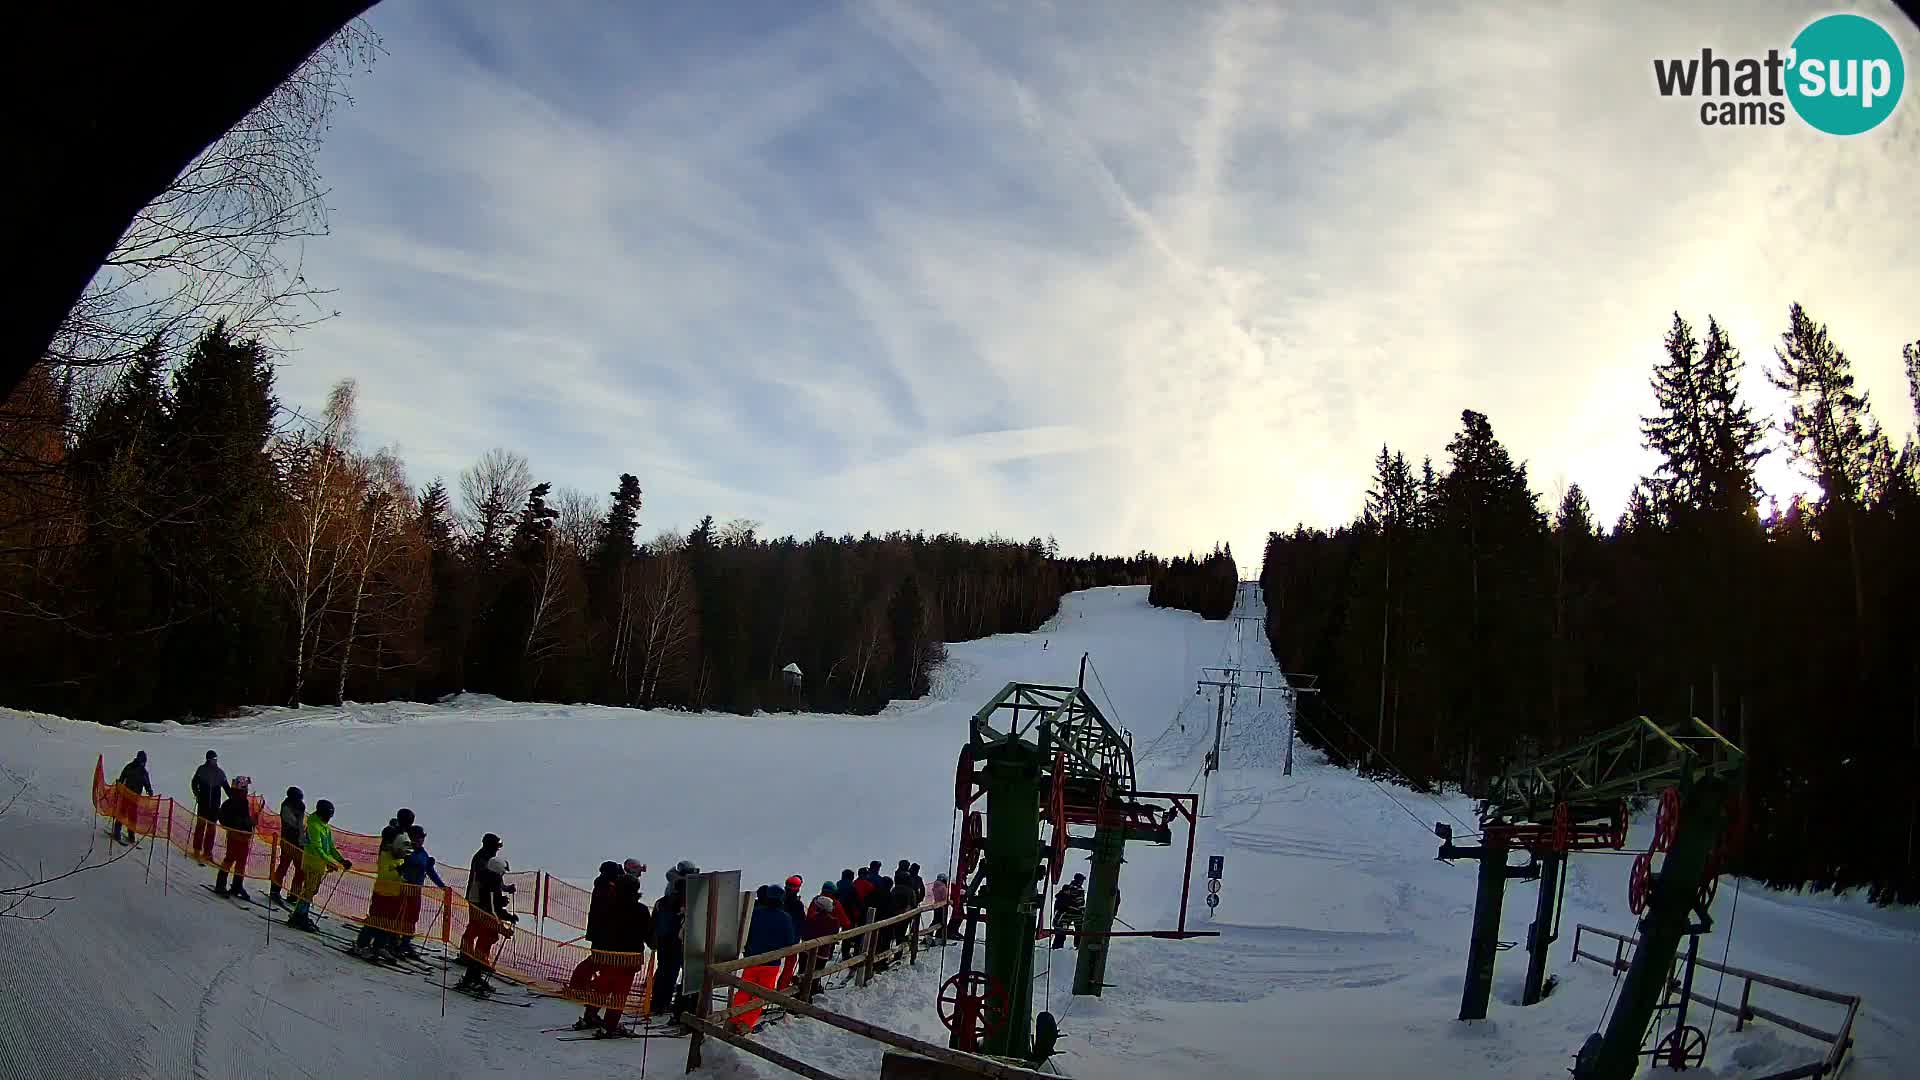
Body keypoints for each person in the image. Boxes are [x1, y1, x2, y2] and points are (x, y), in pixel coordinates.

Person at [589, 873, 653, 1037]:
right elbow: (649, 935)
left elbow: (598, 929)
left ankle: (589, 1016)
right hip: (628, 959)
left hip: (606, 956)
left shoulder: (607, 906)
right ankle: (610, 1025)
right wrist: (654, 943)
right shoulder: (641, 910)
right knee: (619, 993)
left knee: (602, 987)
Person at [455, 833, 517, 994]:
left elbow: (494, 897)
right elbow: (492, 904)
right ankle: (468, 963)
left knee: (485, 938)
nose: (497, 850)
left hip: (484, 906)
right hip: (478, 903)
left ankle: (474, 971)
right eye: (496, 847)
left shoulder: (491, 869)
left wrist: (503, 893)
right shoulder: (482, 861)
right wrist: (504, 915)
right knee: (477, 932)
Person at [731, 885, 797, 1032]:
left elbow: (745, 934)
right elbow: (790, 941)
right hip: (772, 964)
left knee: (743, 991)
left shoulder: (755, 913)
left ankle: (734, 1019)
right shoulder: (785, 918)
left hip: (752, 960)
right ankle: (746, 1024)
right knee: (760, 996)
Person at [569, 861, 626, 1016]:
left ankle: (582, 985)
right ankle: (579, 985)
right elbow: (608, 910)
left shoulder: (605, 885)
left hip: (602, 931)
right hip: (603, 932)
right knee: (598, 959)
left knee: (598, 960)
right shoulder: (605, 887)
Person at [288, 799, 350, 932]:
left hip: (319, 864)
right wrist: (331, 862)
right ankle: (299, 916)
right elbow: (318, 848)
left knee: (311, 890)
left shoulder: (324, 826)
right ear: (321, 814)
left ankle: (301, 914)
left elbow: (330, 848)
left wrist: (341, 860)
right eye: (327, 816)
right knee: (308, 890)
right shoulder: (314, 826)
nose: (329, 819)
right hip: (312, 863)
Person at [649, 860, 698, 1017]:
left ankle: (657, 1003)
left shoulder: (662, 901)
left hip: (664, 939)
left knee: (664, 970)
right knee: (671, 972)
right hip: (677, 940)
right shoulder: (683, 897)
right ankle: (664, 1005)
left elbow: (655, 921)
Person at [354, 824, 407, 960]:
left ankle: (380, 946)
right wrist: (399, 871)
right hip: (382, 893)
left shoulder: (398, 855)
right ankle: (361, 945)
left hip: (395, 894)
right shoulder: (385, 855)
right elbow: (385, 875)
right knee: (375, 920)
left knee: (387, 922)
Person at [396, 825, 447, 959]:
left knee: (412, 916)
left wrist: (442, 886)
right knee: (400, 914)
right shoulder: (407, 850)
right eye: (418, 838)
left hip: (416, 890)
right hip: (405, 887)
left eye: (422, 838)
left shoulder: (423, 853)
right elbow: (406, 864)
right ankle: (394, 941)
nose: (420, 841)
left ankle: (405, 942)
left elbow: (430, 871)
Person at [211, 775, 255, 900]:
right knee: (231, 859)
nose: (247, 790)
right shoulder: (236, 802)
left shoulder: (237, 801)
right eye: (245, 788)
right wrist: (249, 822)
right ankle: (222, 885)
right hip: (237, 836)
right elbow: (233, 819)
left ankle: (236, 885)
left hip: (242, 836)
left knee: (239, 862)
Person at [268, 786, 305, 906]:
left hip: (299, 842)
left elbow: (299, 823)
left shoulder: (300, 806)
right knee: (284, 865)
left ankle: (294, 894)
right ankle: (275, 891)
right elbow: (293, 823)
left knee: (300, 869)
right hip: (288, 840)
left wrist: (303, 835)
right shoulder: (286, 807)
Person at [189, 750, 227, 863]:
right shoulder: (201, 770)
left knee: (211, 830)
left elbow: (227, 788)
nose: (214, 761)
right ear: (208, 759)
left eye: (215, 759)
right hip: (203, 804)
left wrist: (236, 796)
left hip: (214, 807)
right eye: (212, 759)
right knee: (200, 827)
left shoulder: (220, 773)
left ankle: (207, 852)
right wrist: (197, 793)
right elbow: (194, 783)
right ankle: (196, 850)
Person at [800, 894, 841, 996]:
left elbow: (804, 934)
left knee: (802, 973)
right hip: (823, 954)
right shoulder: (834, 922)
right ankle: (812, 992)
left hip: (806, 952)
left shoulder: (811, 919)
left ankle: (801, 994)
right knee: (816, 976)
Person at [112, 751, 152, 845]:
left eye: (144, 762)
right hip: (126, 795)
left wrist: (149, 789)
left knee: (132, 817)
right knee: (122, 813)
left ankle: (131, 835)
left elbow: (147, 783)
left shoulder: (143, 772)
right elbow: (122, 777)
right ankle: (117, 832)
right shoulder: (129, 767)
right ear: (138, 759)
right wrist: (119, 784)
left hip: (135, 798)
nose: (143, 763)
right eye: (142, 761)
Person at [1052, 873, 1087, 949]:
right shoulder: (1078, 890)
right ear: (1080, 880)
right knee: (1079, 932)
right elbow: (1080, 904)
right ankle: (1078, 948)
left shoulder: (1067, 888)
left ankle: (1057, 949)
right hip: (1076, 916)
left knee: (1060, 934)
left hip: (1063, 916)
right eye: (1082, 880)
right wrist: (1084, 912)